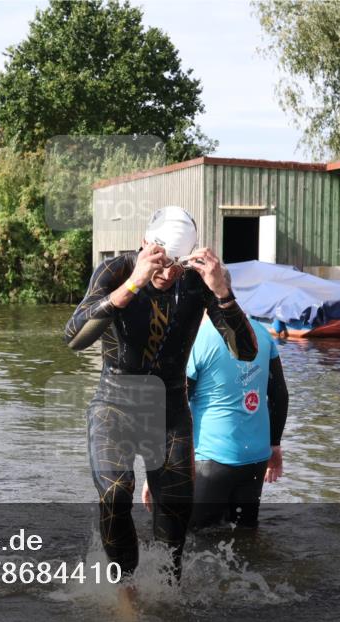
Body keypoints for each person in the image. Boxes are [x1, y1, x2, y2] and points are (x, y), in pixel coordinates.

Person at [64, 206, 257, 585]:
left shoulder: (197, 282)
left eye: (177, 264)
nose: (168, 273)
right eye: (162, 260)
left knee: (174, 526)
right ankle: (126, 591)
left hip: (169, 411)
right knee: (116, 494)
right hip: (114, 404)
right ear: (145, 245)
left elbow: (246, 352)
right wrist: (133, 283)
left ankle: (169, 602)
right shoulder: (117, 271)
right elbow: (73, 338)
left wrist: (223, 293)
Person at [142, 317, 288, 529]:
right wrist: (274, 446)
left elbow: (176, 407)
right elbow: (280, 395)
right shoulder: (262, 333)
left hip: (213, 460)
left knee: (191, 539)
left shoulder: (199, 339)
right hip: (255, 461)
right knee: (244, 538)